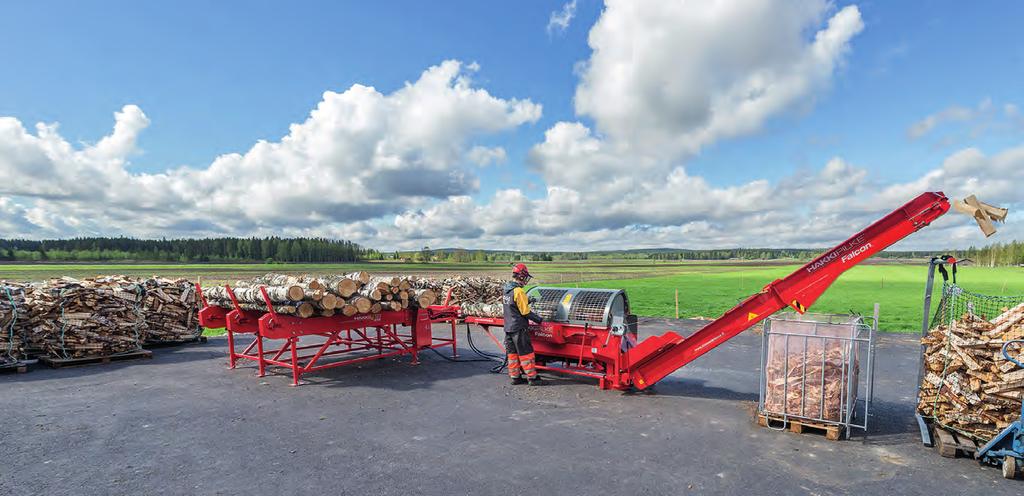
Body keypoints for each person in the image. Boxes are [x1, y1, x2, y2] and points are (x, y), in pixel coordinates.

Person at [504, 263, 544, 385]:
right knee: (526, 353)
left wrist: (528, 300)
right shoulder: (519, 291)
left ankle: (515, 377)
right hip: (519, 328)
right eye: (525, 277)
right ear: (521, 276)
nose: (526, 280)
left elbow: (513, 305)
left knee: (512, 354)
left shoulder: (506, 290)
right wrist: (539, 320)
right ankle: (532, 378)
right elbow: (525, 312)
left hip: (508, 327)